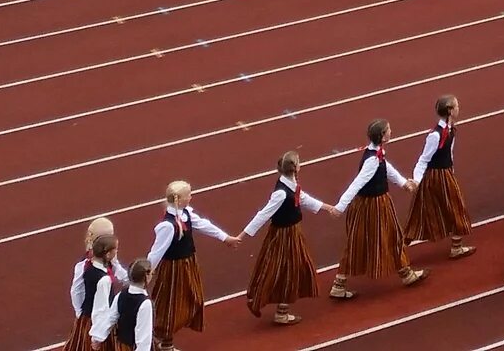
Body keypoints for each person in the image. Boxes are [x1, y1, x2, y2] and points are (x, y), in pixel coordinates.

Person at [330, 119, 425, 300]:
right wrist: (340, 206)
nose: (391, 131)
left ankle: (340, 283)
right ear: (382, 136)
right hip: (375, 205)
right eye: (389, 130)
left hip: (373, 203)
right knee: (391, 236)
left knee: (364, 241)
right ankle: (405, 274)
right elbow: (357, 183)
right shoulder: (372, 160)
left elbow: (387, 169)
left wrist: (404, 183)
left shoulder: (376, 155)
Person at [142, 181, 232, 348]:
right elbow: (156, 252)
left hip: (188, 265)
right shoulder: (168, 226)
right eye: (188, 195)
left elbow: (204, 224)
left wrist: (224, 237)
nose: (191, 197)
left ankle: (161, 337)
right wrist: (147, 273)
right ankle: (163, 341)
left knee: (193, 300)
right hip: (174, 269)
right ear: (179, 200)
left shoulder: (186, 214)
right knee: (171, 303)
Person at [242, 153, 329, 326]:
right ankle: (270, 305)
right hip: (284, 235)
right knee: (286, 268)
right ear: (295, 168)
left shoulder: (290, 184)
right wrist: (243, 235)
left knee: (290, 268)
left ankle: (280, 308)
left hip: (293, 232)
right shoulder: (281, 193)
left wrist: (327, 208)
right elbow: (264, 214)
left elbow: (303, 199)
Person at [405, 93, 474, 259]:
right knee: (429, 212)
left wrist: (451, 169)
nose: (459, 108)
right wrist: (416, 180)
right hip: (437, 177)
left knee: (450, 208)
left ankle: (456, 245)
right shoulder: (435, 135)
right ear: (450, 110)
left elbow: (449, 153)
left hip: (446, 173)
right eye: (456, 106)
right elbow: (423, 159)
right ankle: (398, 248)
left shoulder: (450, 130)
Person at [63, 220, 122, 351]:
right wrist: (80, 314)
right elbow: (76, 290)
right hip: (94, 319)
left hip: (99, 318)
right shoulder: (85, 266)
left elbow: (120, 273)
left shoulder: (108, 261)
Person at [90, 259, 157, 351]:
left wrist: (97, 337)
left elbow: (110, 318)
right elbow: (143, 338)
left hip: (121, 347)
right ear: (146, 276)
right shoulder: (145, 304)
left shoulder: (121, 295)